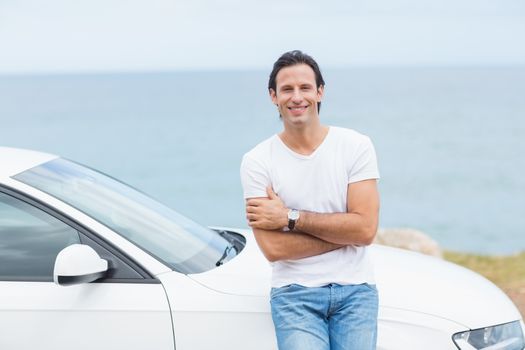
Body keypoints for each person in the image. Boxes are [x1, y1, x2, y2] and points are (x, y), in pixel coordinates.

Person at [240, 50, 380, 350]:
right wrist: (347, 233)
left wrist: (290, 218)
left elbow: (366, 230)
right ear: (273, 97)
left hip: (356, 292)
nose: (296, 96)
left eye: (304, 87)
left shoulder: (356, 146)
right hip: (294, 296)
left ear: (320, 92)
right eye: (287, 89)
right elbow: (275, 249)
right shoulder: (257, 161)